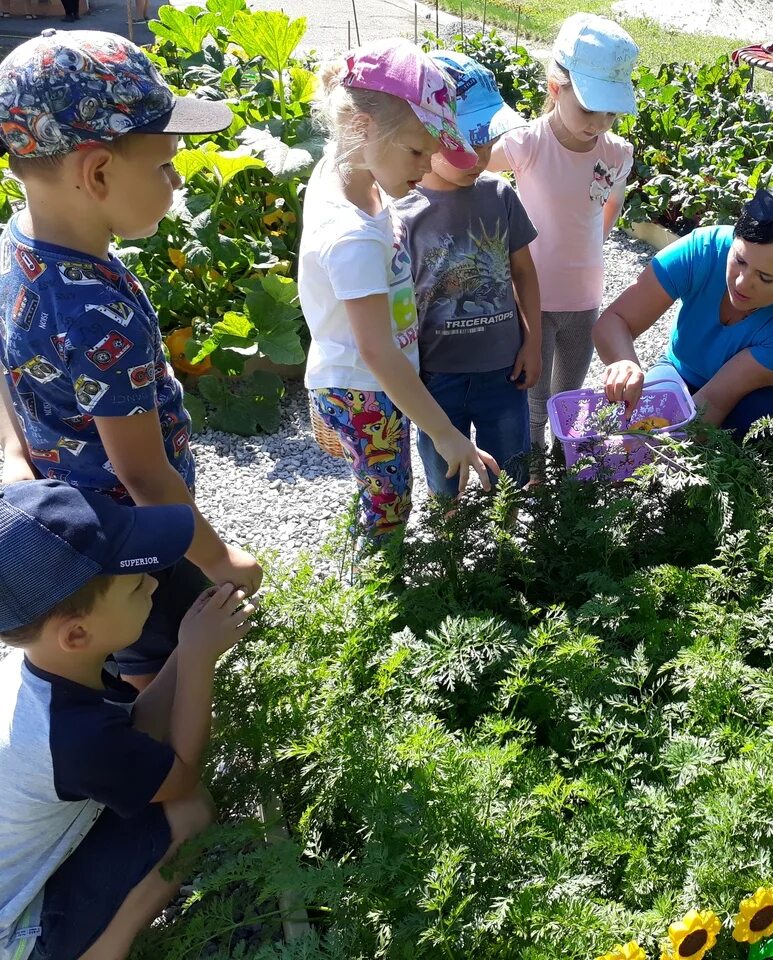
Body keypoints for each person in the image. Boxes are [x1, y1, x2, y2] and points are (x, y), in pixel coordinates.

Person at [0, 30, 262, 692]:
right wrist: (220, 557)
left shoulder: (18, 243)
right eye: (166, 165)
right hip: (135, 544)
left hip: (73, 534)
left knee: (112, 663)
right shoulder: (94, 313)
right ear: (96, 173)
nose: (176, 181)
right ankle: (161, 781)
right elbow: (144, 473)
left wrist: (12, 452)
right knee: (157, 674)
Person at [0, 479, 255, 960]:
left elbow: (135, 728)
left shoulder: (39, 674)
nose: (154, 584)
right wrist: (198, 657)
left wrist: (187, 643)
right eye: (137, 584)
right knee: (189, 813)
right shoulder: (71, 738)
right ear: (77, 634)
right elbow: (179, 778)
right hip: (14, 931)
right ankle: (98, 951)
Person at [301, 39, 499, 545]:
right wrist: (446, 433)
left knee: (372, 490)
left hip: (352, 373)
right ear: (358, 127)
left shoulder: (344, 169)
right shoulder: (352, 237)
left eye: (432, 151)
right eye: (417, 150)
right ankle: (377, 597)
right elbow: (376, 351)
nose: (427, 166)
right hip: (367, 388)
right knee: (389, 508)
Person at [489, 13, 638, 453]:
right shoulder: (527, 143)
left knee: (569, 395)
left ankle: (564, 461)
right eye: (589, 109)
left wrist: (597, 237)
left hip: (585, 296)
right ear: (556, 89)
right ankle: (535, 468)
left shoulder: (616, 152)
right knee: (534, 393)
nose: (599, 122)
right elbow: (469, 168)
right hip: (532, 296)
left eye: (610, 112)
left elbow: (612, 200)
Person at [399, 52, 541, 496]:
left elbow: (523, 270)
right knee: (445, 476)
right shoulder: (403, 210)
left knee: (511, 470)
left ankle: (508, 540)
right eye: (464, 142)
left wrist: (533, 340)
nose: (479, 156)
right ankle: (451, 543)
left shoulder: (500, 194)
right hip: (435, 374)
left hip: (503, 366)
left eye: (486, 141)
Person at [594, 187, 773, 438]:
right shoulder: (703, 249)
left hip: (770, 393)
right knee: (639, 417)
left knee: (756, 421)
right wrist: (624, 361)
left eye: (765, 278)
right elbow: (614, 321)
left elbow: (716, 401)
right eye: (739, 260)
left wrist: (659, 455)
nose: (741, 283)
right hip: (685, 369)